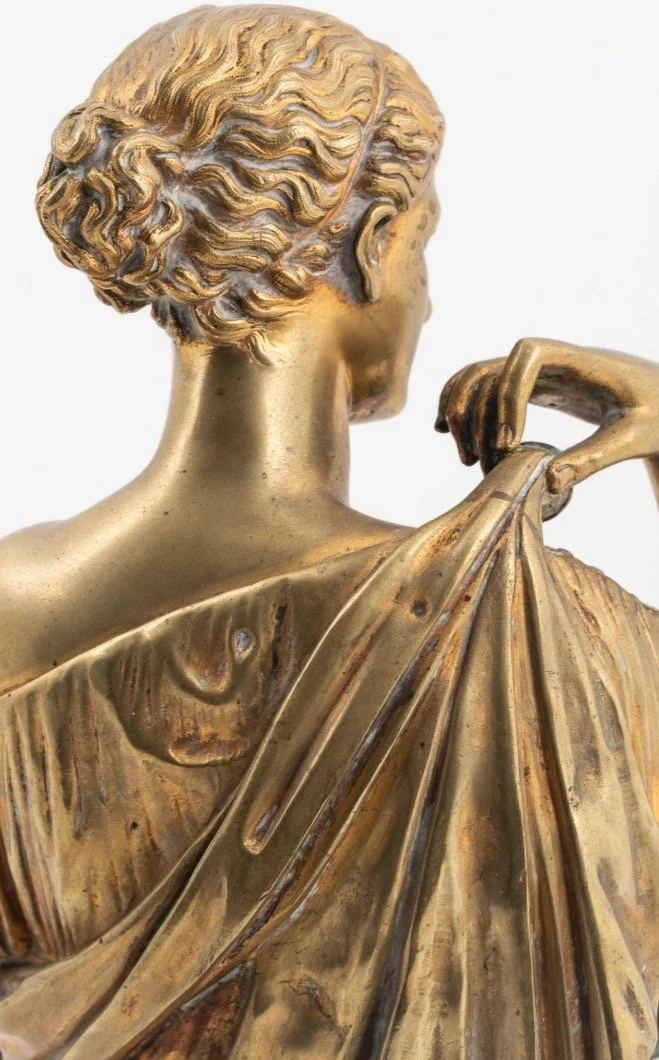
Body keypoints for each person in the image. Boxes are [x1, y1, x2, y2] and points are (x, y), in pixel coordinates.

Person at [0, 6, 656, 1057]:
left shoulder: (12, 602)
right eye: (423, 241)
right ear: (370, 242)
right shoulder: (516, 621)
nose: (425, 295)